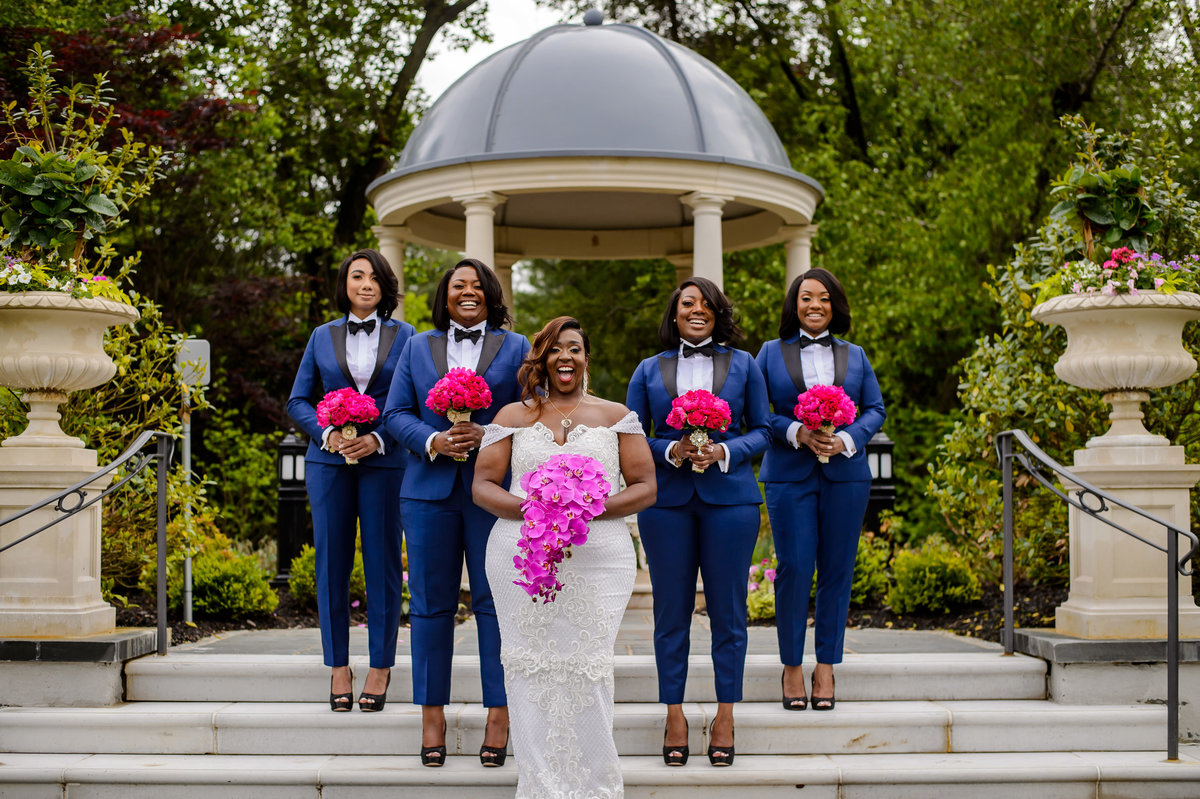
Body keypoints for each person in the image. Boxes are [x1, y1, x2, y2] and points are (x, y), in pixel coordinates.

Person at [474, 316, 656, 795]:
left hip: (601, 558)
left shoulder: (617, 416)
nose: (565, 358)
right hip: (521, 556)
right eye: (555, 350)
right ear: (543, 359)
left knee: (588, 667)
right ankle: (540, 785)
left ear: (586, 358)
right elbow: (482, 487)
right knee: (528, 665)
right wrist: (539, 511)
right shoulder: (511, 417)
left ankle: (596, 786)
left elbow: (645, 487)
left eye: (574, 348)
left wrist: (583, 510)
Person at [382, 257, 530, 766]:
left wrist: (488, 434)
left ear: (490, 294)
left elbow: (531, 412)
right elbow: (395, 413)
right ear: (444, 296)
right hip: (427, 495)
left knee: (496, 604)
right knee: (429, 607)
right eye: (457, 285)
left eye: (476, 285)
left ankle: (499, 715)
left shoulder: (516, 347)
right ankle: (432, 718)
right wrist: (434, 440)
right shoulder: (417, 346)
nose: (467, 292)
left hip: (493, 494)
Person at [625, 277, 771, 767]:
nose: (697, 309)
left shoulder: (745, 365)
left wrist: (726, 450)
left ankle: (726, 715)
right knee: (670, 613)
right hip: (666, 503)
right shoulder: (648, 369)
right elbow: (629, 436)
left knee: (729, 613)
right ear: (674, 313)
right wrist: (670, 449)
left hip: (730, 501)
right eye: (688, 303)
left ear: (718, 313)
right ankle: (675, 713)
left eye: (706, 303)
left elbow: (765, 429)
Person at [287, 248, 415, 713]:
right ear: (344, 284)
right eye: (356, 276)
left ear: (385, 287)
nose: (365, 284)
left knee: (383, 565)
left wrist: (378, 439)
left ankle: (380, 667)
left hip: (385, 464)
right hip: (328, 465)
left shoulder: (407, 337)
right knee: (331, 565)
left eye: (374, 278)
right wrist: (327, 434)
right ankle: (338, 666)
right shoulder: (322, 335)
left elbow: (414, 402)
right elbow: (298, 400)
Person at [754, 268, 885, 712]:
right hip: (790, 475)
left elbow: (875, 409)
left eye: (824, 298)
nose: (815, 305)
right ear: (794, 305)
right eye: (806, 297)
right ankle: (792, 665)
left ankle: (826, 665)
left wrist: (848, 439)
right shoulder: (770, 353)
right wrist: (796, 431)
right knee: (793, 567)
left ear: (835, 306)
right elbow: (755, 413)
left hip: (846, 476)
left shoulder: (856, 354)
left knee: (837, 570)